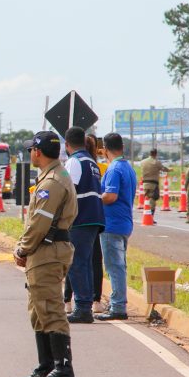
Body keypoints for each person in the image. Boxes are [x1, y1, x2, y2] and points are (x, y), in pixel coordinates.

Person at [14, 131, 78, 377]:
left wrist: (22, 249)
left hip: (47, 251)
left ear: (37, 152)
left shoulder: (52, 182)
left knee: (50, 308)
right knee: (39, 309)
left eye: (32, 149)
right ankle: (47, 366)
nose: (30, 153)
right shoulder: (54, 176)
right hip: (45, 251)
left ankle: (63, 369)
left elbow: (39, 222)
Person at [62, 127, 105, 324]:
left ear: (67, 145)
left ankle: (82, 307)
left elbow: (68, 191)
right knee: (85, 262)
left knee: (76, 263)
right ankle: (85, 305)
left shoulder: (75, 161)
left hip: (81, 218)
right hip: (94, 217)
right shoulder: (92, 162)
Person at [96, 132, 137, 321]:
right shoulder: (128, 167)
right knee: (119, 265)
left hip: (112, 224)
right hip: (124, 222)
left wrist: (95, 198)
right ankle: (117, 303)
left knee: (114, 266)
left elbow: (110, 196)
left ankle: (118, 306)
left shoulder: (113, 169)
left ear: (105, 149)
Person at [86, 134, 107, 314]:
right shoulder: (101, 167)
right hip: (99, 217)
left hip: (80, 219)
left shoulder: (77, 164)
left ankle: (70, 300)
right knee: (95, 259)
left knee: (77, 261)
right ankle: (96, 300)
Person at [139, 149, 170, 222]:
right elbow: (163, 169)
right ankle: (150, 217)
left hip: (144, 183)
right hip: (153, 184)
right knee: (152, 200)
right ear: (155, 154)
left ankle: (145, 215)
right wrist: (169, 170)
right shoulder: (156, 162)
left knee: (146, 199)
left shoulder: (143, 162)